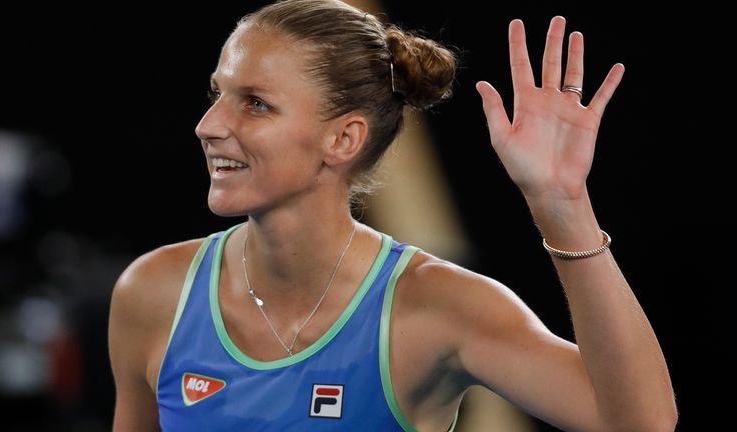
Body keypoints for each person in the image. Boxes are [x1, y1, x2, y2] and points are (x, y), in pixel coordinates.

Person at [108, 0, 677, 430]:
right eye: (218, 93)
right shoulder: (153, 292)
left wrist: (563, 205)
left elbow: (640, 423)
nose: (209, 124)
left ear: (343, 138)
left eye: (255, 103)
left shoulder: (439, 306)